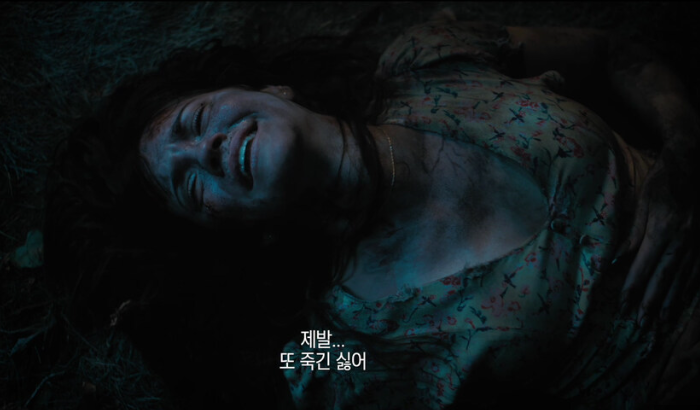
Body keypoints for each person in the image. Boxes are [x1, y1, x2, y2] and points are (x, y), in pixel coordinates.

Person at [44, 10, 700, 409]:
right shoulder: (343, 345)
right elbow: (279, 367)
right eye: (189, 184)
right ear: (230, 232)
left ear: (271, 88)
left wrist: (684, 155)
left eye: (196, 120)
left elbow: (616, 54)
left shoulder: (429, 59)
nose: (207, 149)